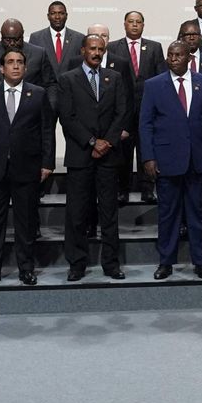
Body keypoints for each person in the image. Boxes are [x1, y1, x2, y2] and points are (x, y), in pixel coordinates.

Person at [0, 47, 56, 286]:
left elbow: (47, 130)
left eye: (20, 62)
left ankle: (26, 269)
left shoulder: (38, 94)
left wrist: (47, 163)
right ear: (1, 68)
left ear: (26, 68)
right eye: (10, 62)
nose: (16, 66)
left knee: (26, 222)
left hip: (27, 168)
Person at [139, 41, 202, 280]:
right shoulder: (153, 86)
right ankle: (166, 262)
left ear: (188, 57)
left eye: (179, 55)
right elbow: (145, 124)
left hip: (199, 160)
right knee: (167, 215)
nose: (174, 59)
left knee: (199, 215)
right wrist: (148, 157)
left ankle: (201, 261)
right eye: (171, 55)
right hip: (166, 160)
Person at [56, 35, 130, 280]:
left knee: (109, 213)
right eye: (92, 49)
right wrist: (91, 142)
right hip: (81, 155)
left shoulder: (115, 78)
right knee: (76, 213)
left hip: (109, 156)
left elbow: (122, 112)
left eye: (100, 49)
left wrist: (107, 141)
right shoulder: (68, 79)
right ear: (83, 50)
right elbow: (67, 116)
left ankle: (111, 263)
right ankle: (77, 263)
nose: (96, 53)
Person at [108, 10, 165, 203]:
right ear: (124, 24)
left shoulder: (154, 47)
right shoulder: (112, 47)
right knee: (122, 152)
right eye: (131, 22)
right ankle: (121, 189)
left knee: (146, 149)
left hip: (147, 108)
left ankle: (147, 188)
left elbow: (161, 78)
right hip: (122, 110)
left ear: (143, 25)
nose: (134, 25)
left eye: (138, 22)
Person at [29, 0, 85, 73]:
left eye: (61, 13)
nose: (57, 17)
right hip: (44, 84)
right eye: (53, 13)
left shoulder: (79, 38)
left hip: (71, 83)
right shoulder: (36, 38)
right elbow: (33, 66)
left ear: (66, 16)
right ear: (48, 16)